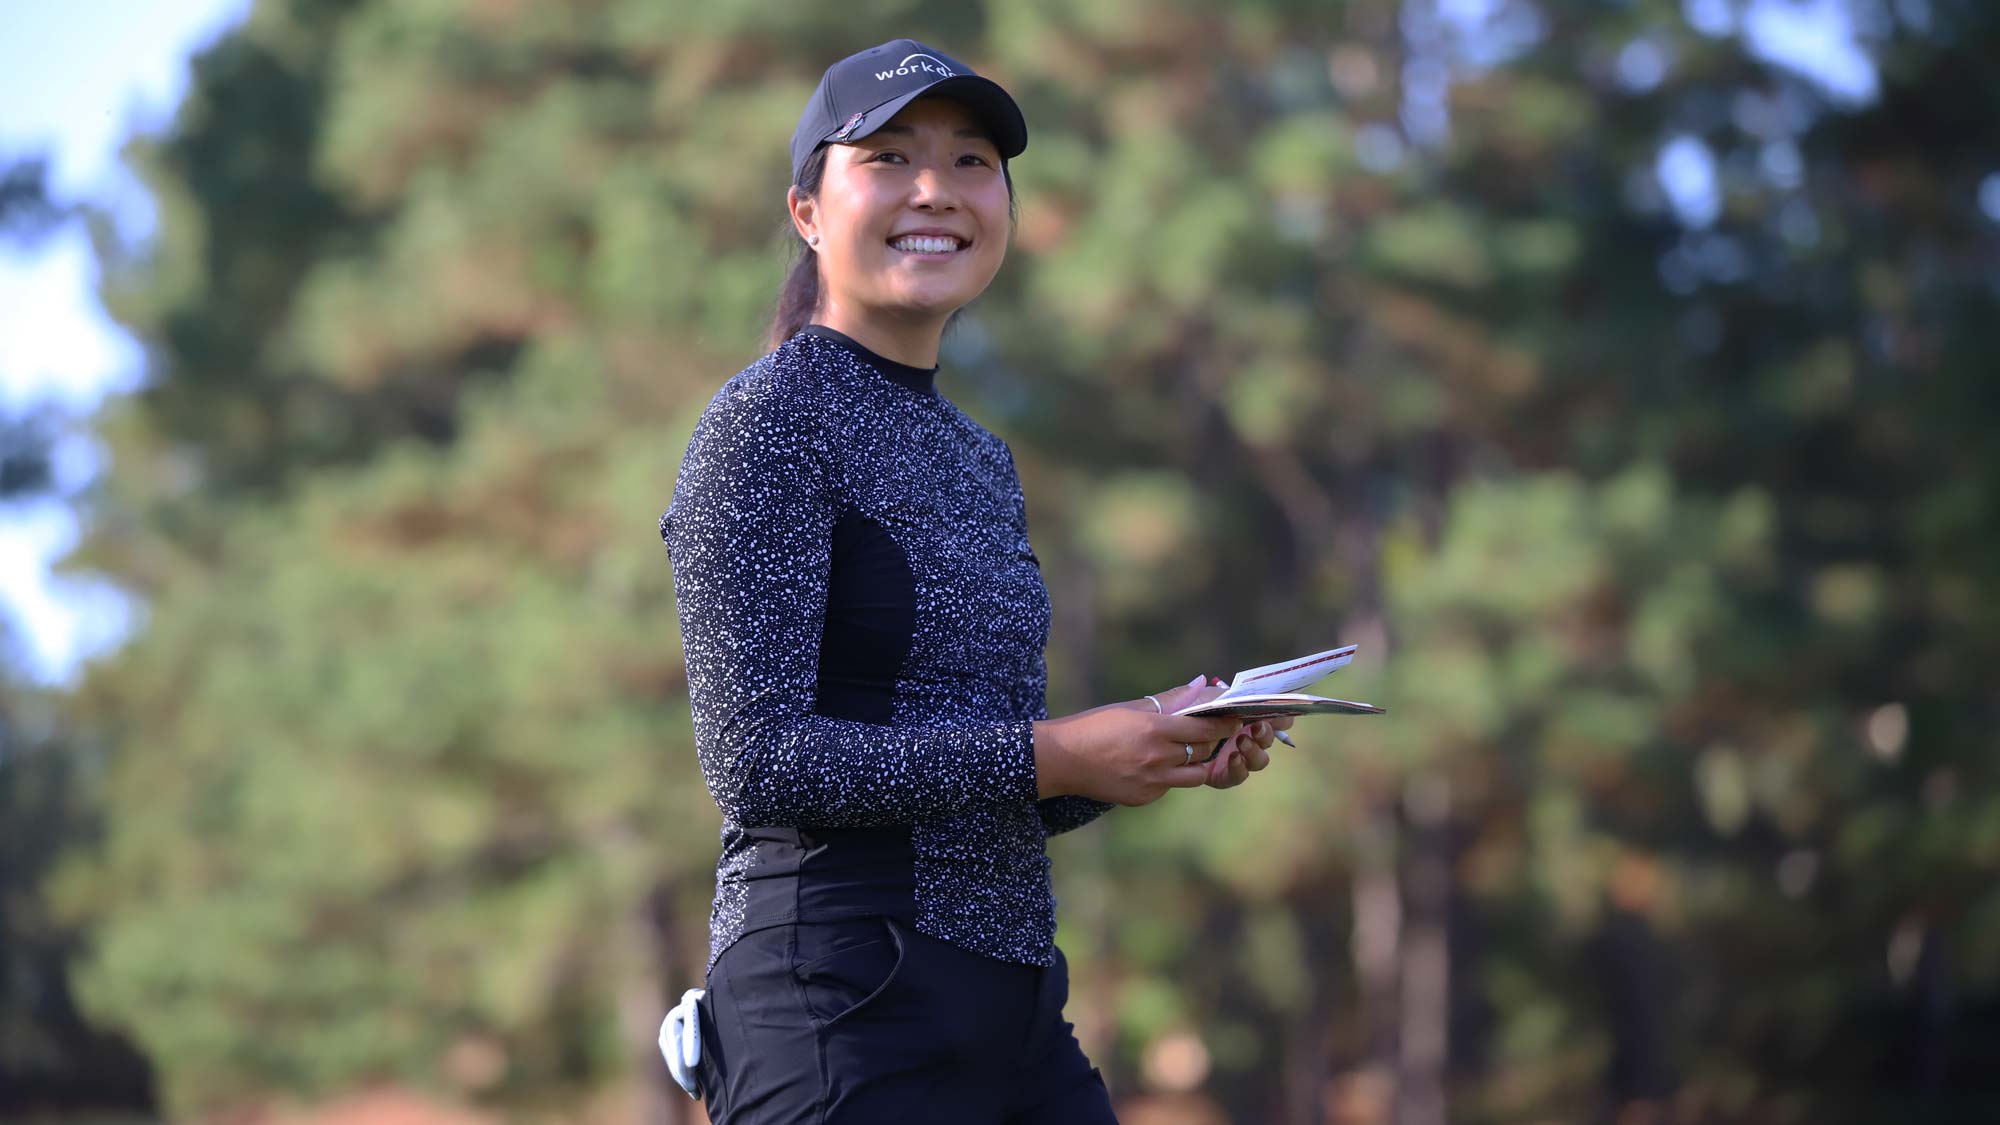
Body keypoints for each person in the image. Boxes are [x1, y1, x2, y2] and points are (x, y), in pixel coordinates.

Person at [656, 38, 1294, 1124]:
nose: (934, 192)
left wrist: (1147, 746)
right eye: (890, 158)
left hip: (1007, 1010)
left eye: (969, 163)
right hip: (837, 1011)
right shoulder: (766, 423)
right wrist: (1063, 750)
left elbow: (967, 785)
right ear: (807, 210)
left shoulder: (977, 457)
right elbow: (758, 765)